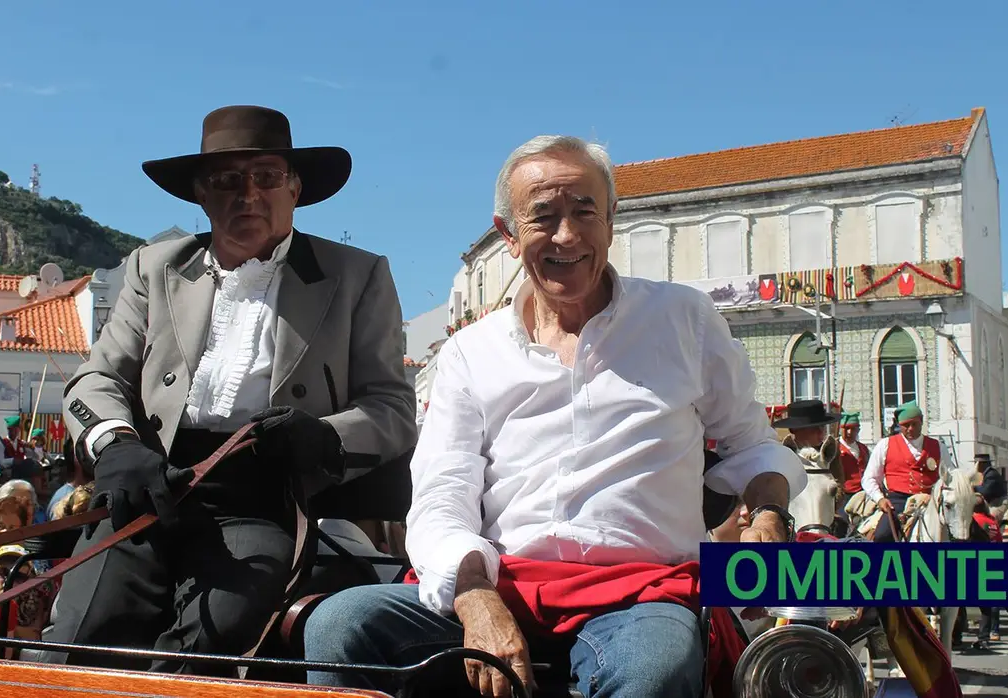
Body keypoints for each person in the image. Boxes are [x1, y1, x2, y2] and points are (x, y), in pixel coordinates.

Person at [303, 135, 804, 698]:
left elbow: (750, 445)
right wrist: (474, 596)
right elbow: (443, 493)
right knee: (340, 624)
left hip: (640, 594)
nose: (567, 235)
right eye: (543, 217)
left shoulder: (683, 318)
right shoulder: (471, 352)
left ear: (611, 220)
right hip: (502, 581)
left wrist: (767, 514)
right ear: (509, 236)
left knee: (653, 668)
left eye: (584, 211)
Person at [43, 105, 416, 675]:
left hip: (264, 500)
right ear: (199, 193)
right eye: (226, 181)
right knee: (77, 641)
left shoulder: (357, 275)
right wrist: (115, 443)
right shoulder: (153, 267)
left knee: (207, 647)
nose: (248, 194)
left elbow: (391, 408)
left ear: (295, 187)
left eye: (266, 176)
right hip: (150, 489)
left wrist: (323, 437)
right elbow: (96, 378)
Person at [861, 401, 952, 543]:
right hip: (898, 502)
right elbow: (869, 478)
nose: (910, 429)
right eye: (905, 425)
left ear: (921, 422)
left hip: (931, 501)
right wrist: (880, 499)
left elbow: (950, 477)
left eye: (914, 424)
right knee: (882, 535)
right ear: (899, 425)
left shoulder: (938, 447)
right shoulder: (885, 445)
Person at [834, 412, 870, 534]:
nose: (849, 432)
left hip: (862, 493)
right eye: (846, 428)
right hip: (843, 495)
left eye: (853, 429)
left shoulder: (863, 449)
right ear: (840, 429)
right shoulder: (835, 447)